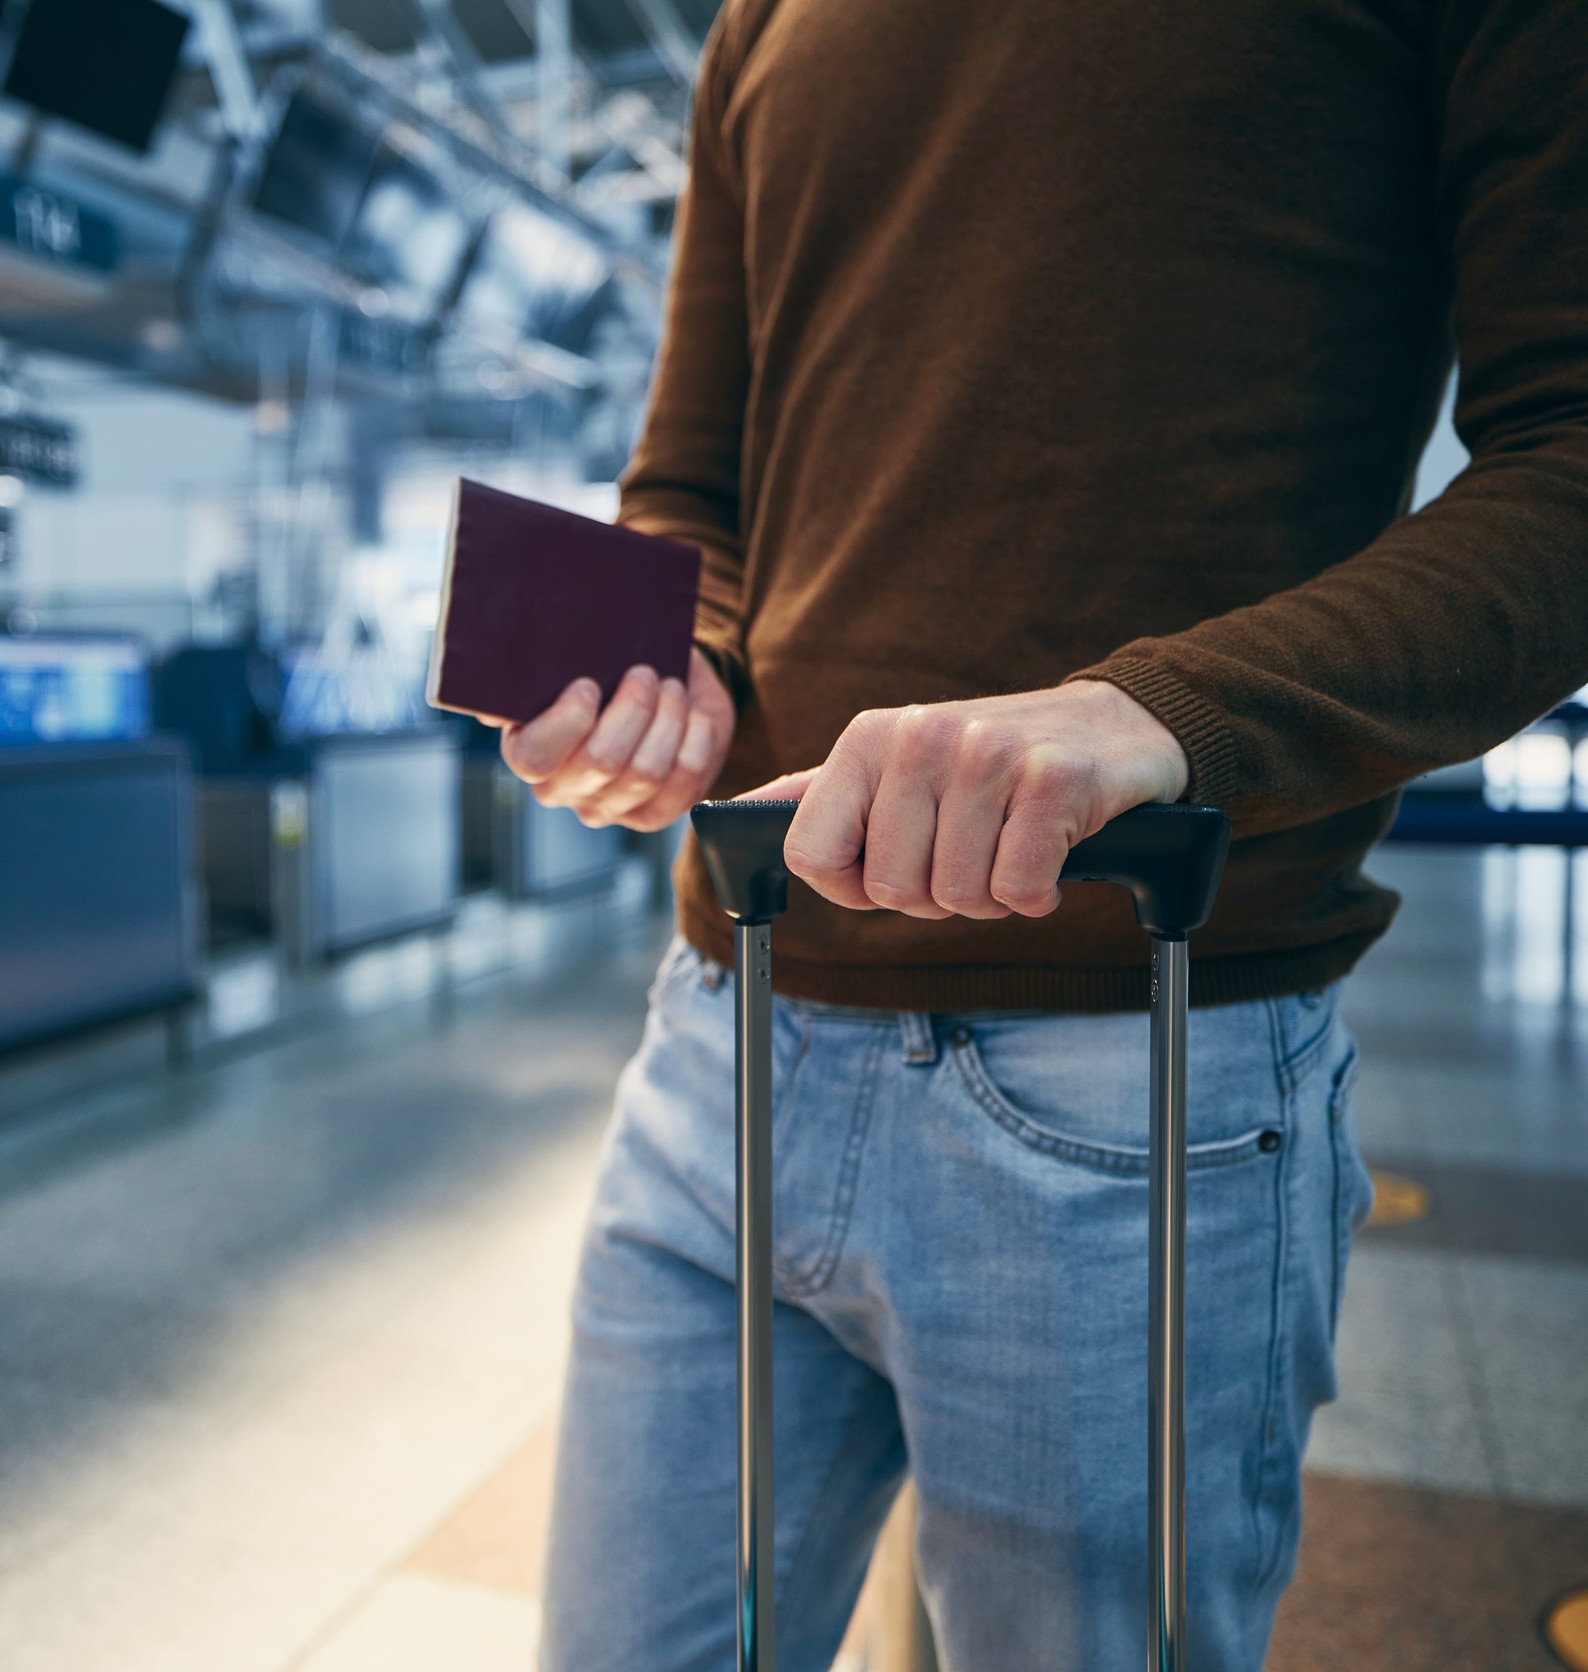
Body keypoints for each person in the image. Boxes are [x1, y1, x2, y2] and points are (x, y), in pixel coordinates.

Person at [502, 3, 1588, 1668]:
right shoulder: (761, 18)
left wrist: (1162, 712)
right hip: (727, 1036)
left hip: (1139, 1064)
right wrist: (680, 668)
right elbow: (695, 488)